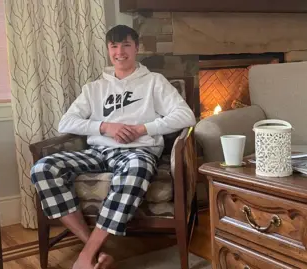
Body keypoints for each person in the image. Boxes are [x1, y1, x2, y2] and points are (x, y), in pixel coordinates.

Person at [31, 25, 196, 269]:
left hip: (138, 152)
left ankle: (86, 256)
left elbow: (186, 117)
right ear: (109, 50)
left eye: (126, 45)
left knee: (137, 168)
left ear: (136, 48)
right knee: (43, 168)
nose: (120, 51)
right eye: (114, 46)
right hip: (98, 153)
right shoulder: (95, 88)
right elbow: (66, 122)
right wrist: (106, 127)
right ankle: (95, 249)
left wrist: (142, 129)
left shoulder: (154, 82)